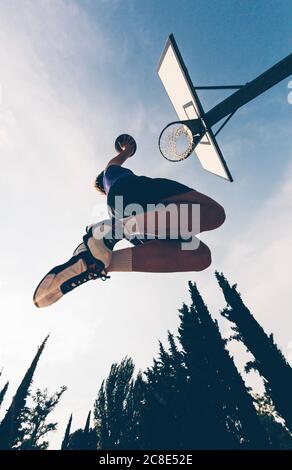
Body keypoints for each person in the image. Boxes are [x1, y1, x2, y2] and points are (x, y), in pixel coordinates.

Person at [33, 136, 225, 308]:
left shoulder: (119, 203)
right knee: (213, 213)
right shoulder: (111, 172)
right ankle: (111, 231)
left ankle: (96, 263)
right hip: (128, 192)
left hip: (134, 217)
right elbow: (121, 157)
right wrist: (126, 149)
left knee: (200, 257)